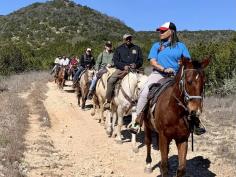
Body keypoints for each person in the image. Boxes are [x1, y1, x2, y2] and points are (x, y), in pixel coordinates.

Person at [129, 22, 206, 135]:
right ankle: (138, 121)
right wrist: (164, 69)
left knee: (190, 92)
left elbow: (188, 63)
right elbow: (152, 61)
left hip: (177, 75)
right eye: (160, 31)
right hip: (159, 74)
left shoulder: (181, 46)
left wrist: (182, 63)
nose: (160, 33)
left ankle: (195, 122)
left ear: (172, 31)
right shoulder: (157, 45)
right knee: (145, 91)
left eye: (163, 31)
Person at [103, 34, 143, 109]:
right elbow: (115, 61)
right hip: (121, 69)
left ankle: (142, 102)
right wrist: (123, 66)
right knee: (111, 81)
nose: (128, 40)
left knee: (144, 82)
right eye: (127, 39)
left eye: (130, 38)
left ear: (131, 39)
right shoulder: (119, 49)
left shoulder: (137, 48)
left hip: (135, 70)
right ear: (124, 40)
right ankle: (108, 101)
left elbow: (141, 60)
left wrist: (136, 65)